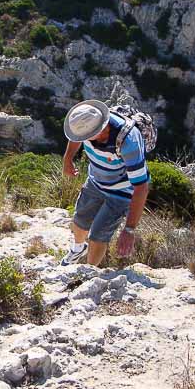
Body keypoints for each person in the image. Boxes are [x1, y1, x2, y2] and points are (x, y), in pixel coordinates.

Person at [61, 100, 150, 266]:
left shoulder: (128, 141)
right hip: (95, 181)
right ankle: (77, 249)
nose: (82, 139)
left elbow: (141, 187)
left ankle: (87, 271)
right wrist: (68, 159)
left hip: (122, 191)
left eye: (85, 137)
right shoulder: (86, 125)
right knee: (80, 221)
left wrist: (129, 229)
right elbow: (76, 136)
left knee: (98, 235)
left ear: (101, 128)